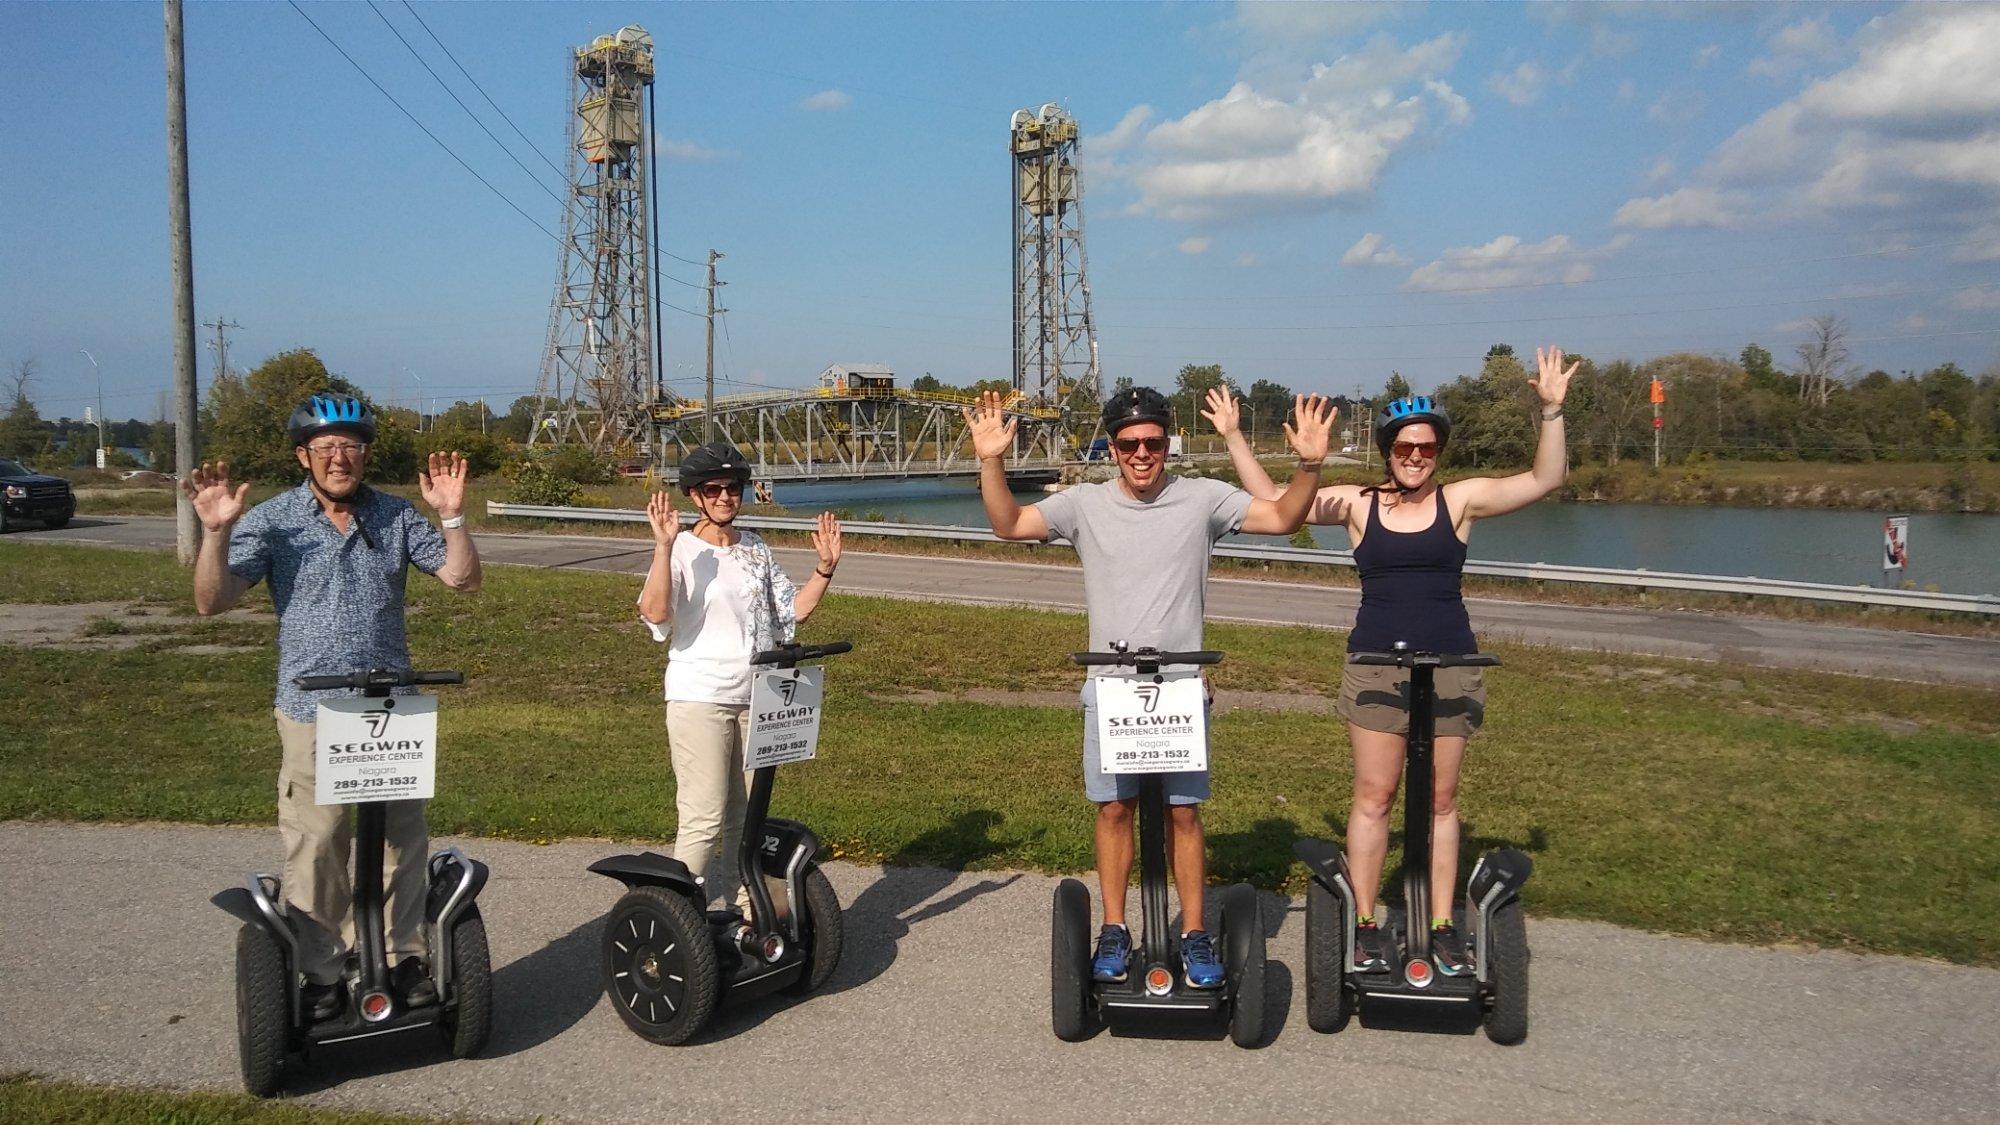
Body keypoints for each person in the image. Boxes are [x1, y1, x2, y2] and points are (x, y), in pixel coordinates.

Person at [1206, 347, 1576, 977]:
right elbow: (1274, 501)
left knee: (1441, 801)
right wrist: (1237, 437)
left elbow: (1545, 479)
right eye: (1405, 447)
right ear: (1388, 450)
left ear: (1439, 452)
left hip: (1451, 663)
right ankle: (1366, 922)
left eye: (1427, 448)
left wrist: (1550, 411)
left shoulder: (1460, 501)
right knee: (1375, 797)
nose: (1415, 456)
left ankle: (1443, 925)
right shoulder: (1358, 504)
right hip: (1377, 666)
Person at [967, 387, 1334, 989]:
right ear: (1112, 448)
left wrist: (1310, 466)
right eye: (1129, 444)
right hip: (1111, 686)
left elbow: (1283, 518)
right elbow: (1008, 524)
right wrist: (991, 460)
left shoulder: (1203, 499)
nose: (1142, 454)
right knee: (1115, 808)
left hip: (1181, 684)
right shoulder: (1083, 504)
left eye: (1154, 443)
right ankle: (1115, 926)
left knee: (1184, 813)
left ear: (1168, 444)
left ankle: (1193, 933)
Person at [183, 392, 483, 1020]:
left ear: (366, 455)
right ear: (304, 456)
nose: (340, 458)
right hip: (311, 708)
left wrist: (453, 517)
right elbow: (212, 601)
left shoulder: (395, 515)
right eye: (326, 447)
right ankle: (321, 971)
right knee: (319, 841)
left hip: (390, 710)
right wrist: (215, 533)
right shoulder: (273, 520)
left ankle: (402, 958)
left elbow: (462, 579)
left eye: (351, 446)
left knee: (401, 840)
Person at [637, 441, 842, 919]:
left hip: (756, 697)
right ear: (695, 496)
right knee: (704, 815)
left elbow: (790, 614)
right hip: (700, 698)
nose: (726, 497)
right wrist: (663, 547)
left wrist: (825, 569)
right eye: (713, 489)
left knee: (747, 818)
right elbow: (655, 613)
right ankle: (677, 918)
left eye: (733, 488)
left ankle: (745, 909)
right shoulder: (682, 549)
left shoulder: (755, 548)